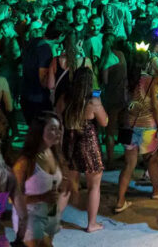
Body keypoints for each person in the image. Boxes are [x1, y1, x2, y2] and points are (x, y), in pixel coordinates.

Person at [55, 68, 107, 232]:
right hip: (88, 143)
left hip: (70, 142)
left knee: (67, 186)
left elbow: (57, 117)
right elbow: (104, 121)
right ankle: (91, 224)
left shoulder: (65, 98)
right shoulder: (93, 101)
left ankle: (54, 221)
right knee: (94, 186)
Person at [115, 47, 158, 212]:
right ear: (148, 64)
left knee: (129, 164)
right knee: (152, 160)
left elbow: (124, 103)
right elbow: (156, 107)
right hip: (147, 127)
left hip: (130, 126)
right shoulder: (151, 81)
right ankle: (156, 191)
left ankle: (120, 201)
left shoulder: (128, 81)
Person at [13, 111, 70, 247]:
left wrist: (66, 184)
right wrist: (41, 197)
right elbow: (13, 198)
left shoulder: (54, 154)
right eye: (53, 129)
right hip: (30, 218)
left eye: (59, 129)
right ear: (39, 132)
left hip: (51, 215)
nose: (58, 133)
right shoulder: (25, 162)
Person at [22, 21, 65, 120]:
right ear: (60, 36)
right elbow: (43, 81)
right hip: (37, 99)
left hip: (26, 94)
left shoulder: (35, 41)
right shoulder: (45, 50)